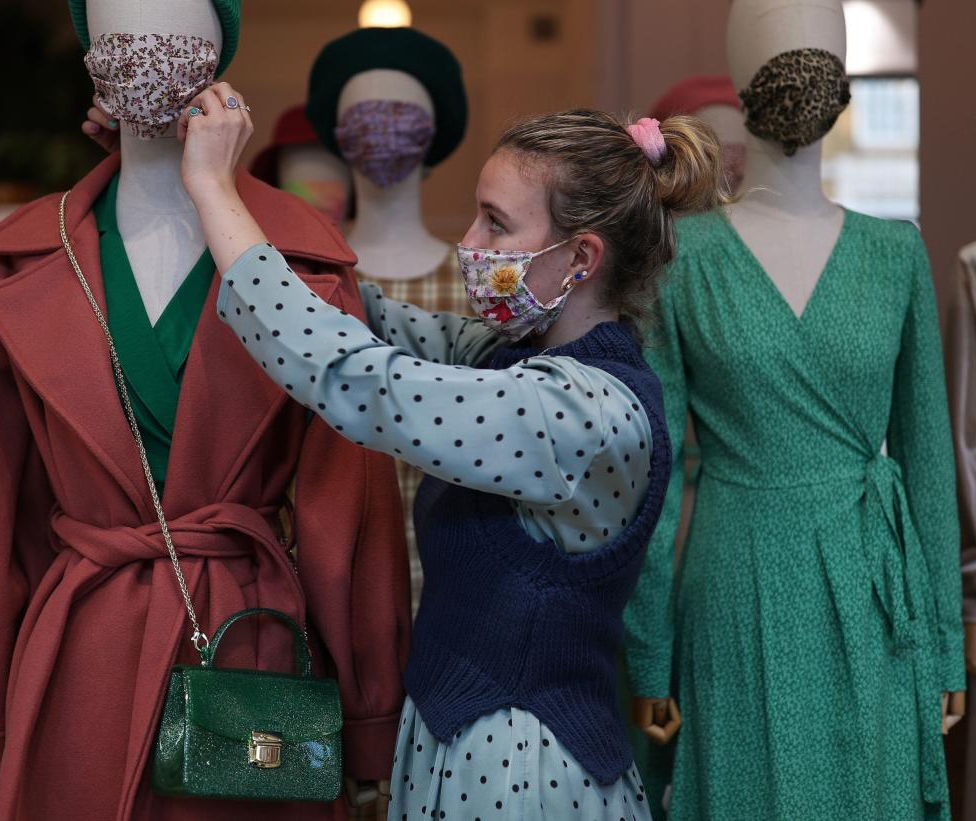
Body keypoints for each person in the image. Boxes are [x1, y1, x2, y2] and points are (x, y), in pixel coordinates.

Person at [89, 89, 723, 819]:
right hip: (468, 745)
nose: (471, 242)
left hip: (521, 767)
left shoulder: (583, 413)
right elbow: (356, 311)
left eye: (497, 221)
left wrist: (209, 184)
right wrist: (159, 178)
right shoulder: (506, 358)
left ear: (582, 256)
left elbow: (359, 375)